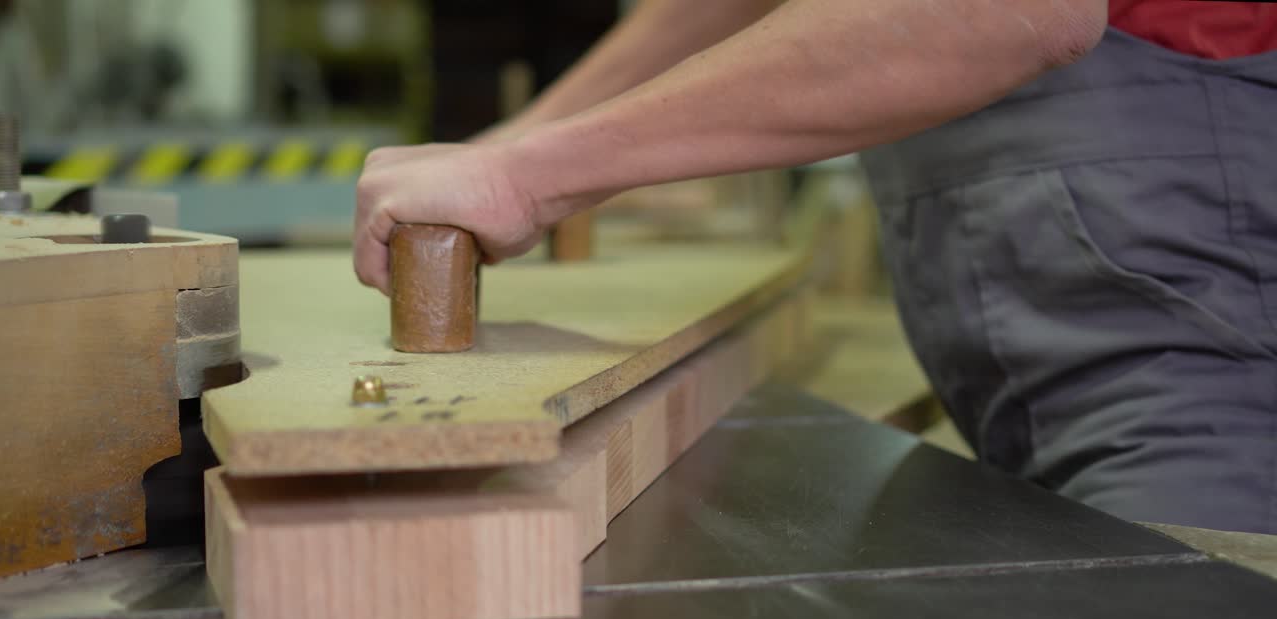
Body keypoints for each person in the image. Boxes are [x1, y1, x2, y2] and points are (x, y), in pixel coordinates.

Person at [354, 0, 1277, 534]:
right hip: (1048, 323)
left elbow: (1015, 9)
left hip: (1199, 296)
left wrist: (534, 179)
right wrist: (528, 142)